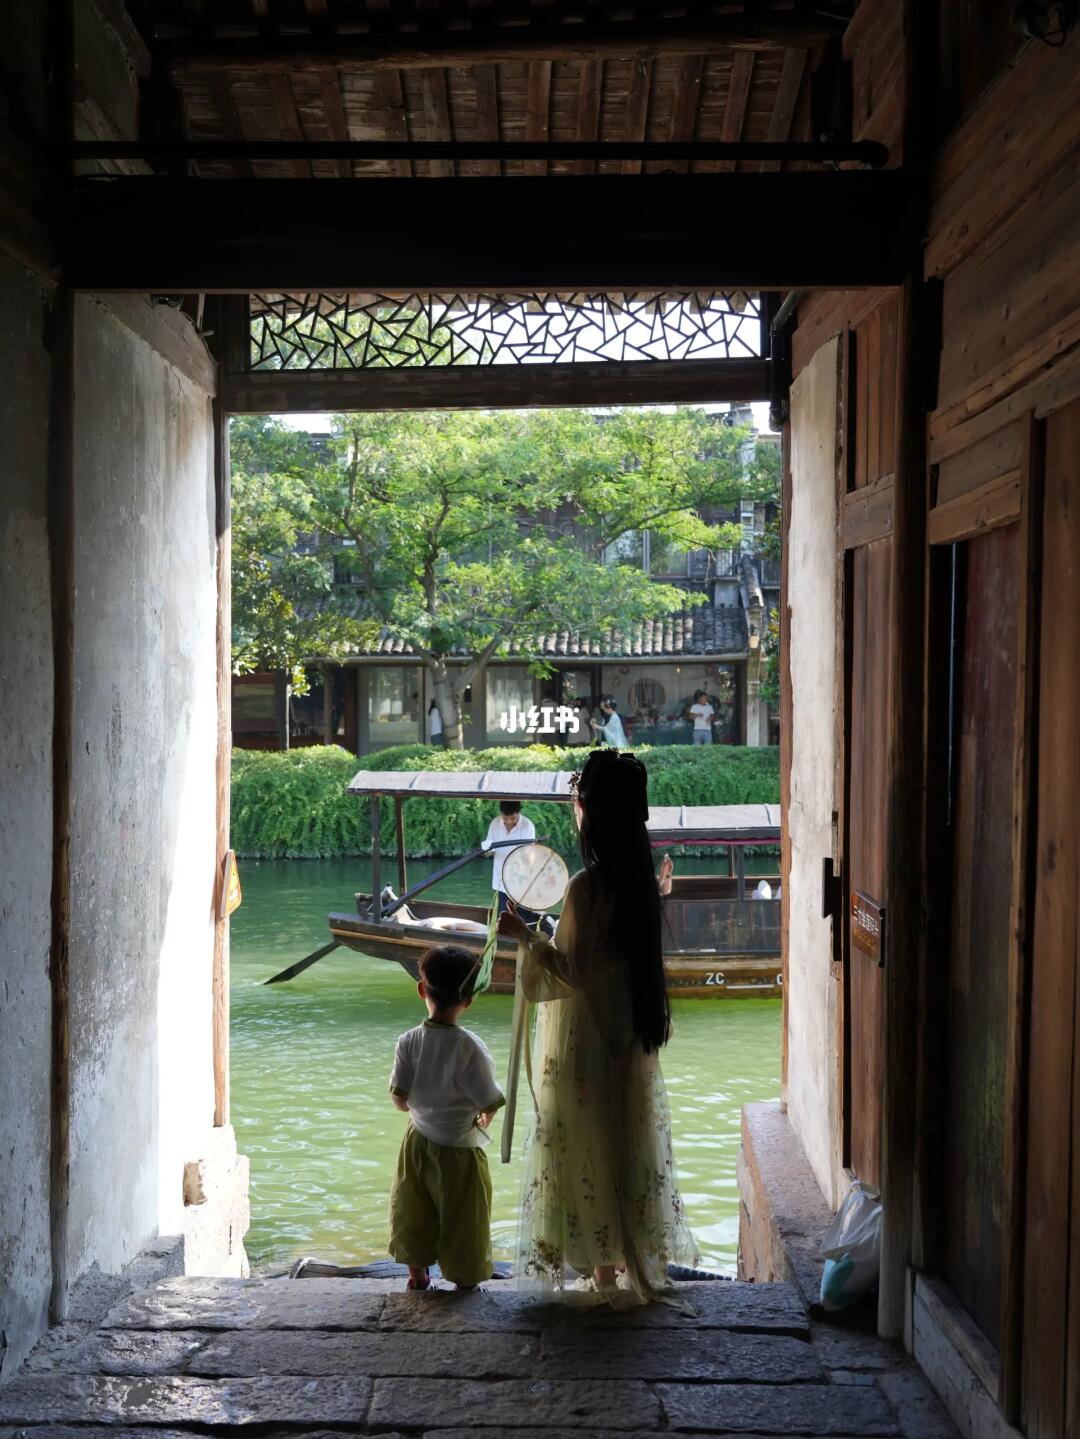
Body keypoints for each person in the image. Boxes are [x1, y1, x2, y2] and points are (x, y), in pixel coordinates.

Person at [499, 749, 698, 1306]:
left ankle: (602, 1277)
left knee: (583, 1141)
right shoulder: (639, 884)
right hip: (630, 1036)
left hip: (585, 1043)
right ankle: (620, 1267)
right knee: (624, 1141)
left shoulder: (586, 887)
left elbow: (570, 974)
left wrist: (525, 936)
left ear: (588, 811)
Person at [387, 945, 505, 1292]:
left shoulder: (408, 1041)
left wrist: (414, 1108)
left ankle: (417, 1276)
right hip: (460, 1150)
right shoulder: (471, 1048)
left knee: (413, 1209)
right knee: (464, 1219)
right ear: (469, 1000)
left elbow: (398, 1097)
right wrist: (485, 1121)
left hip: (418, 1143)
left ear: (422, 990)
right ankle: (465, 1279)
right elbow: (489, 1101)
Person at [483, 800, 536, 915]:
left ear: (518, 812)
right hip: (501, 883)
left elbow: (528, 857)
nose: (508, 822)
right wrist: (487, 849)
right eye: (505, 818)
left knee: (523, 920)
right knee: (503, 920)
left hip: (521, 883)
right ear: (501, 813)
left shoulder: (528, 826)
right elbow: (488, 853)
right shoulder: (495, 824)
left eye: (513, 818)